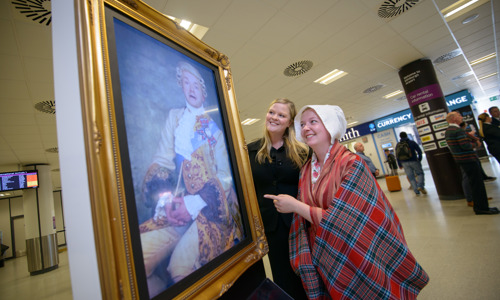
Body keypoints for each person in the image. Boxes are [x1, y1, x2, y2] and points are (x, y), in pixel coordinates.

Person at [264, 105, 429, 299]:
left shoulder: (351, 163)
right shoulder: (307, 168)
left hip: (359, 253)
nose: (306, 128)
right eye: (302, 124)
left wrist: (295, 206)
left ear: (330, 126)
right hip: (327, 257)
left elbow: (343, 219)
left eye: (313, 122)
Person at [139, 61, 243, 296]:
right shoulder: (174, 117)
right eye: (186, 83)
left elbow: (226, 178)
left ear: (203, 91)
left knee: (180, 266)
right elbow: (162, 161)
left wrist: (193, 204)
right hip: (177, 208)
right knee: (139, 255)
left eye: (196, 83)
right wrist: (168, 203)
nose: (191, 88)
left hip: (210, 210)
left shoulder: (214, 128)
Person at [247, 98, 310, 299]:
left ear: (289, 122)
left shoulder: (301, 151)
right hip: (270, 226)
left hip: (299, 223)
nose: (274, 117)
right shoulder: (250, 151)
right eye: (272, 112)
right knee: (281, 274)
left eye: (281, 115)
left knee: (305, 272)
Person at [445, 111, 499, 215]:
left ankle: (480, 206)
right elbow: (465, 145)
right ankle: (482, 208)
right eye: (459, 116)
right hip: (468, 159)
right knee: (477, 184)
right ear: (454, 119)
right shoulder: (457, 130)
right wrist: (476, 144)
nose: (461, 117)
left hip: (463, 160)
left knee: (474, 183)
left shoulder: (449, 130)